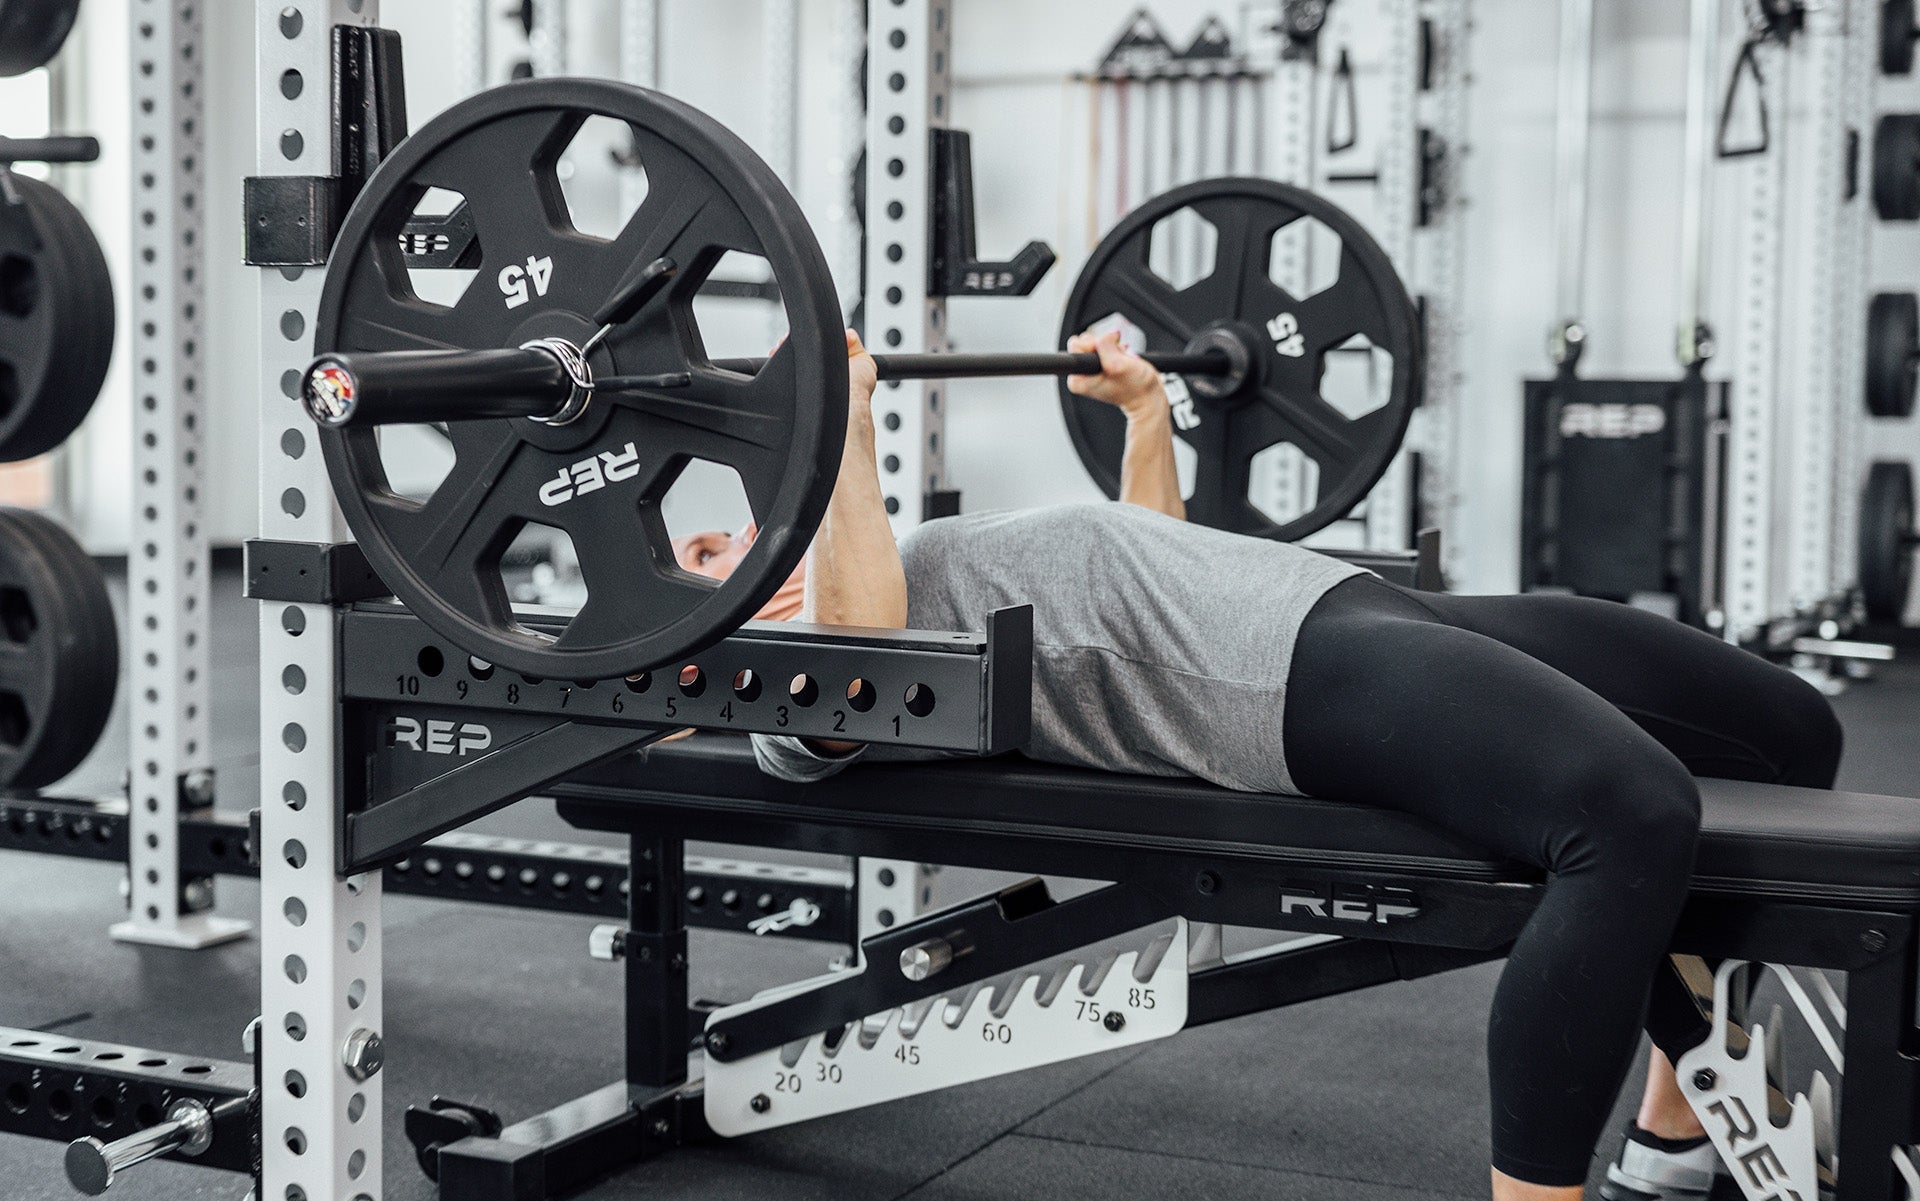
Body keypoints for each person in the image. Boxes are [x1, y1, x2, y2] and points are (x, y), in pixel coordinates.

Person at [669, 328, 1843, 1201]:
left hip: (1334, 600)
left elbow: (1155, 553)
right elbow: (855, 663)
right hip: (1281, 681)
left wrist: (1144, 418)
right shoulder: (796, 685)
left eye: (717, 526)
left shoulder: (897, 556)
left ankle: (1672, 1129)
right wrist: (842, 433)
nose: (720, 540)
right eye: (696, 560)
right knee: (1626, 813)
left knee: (1787, 731)